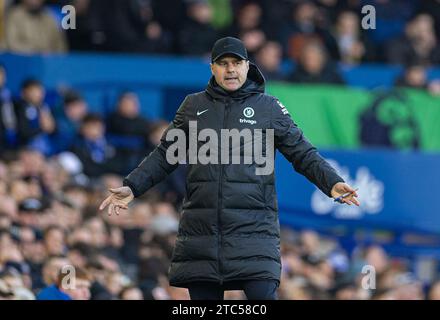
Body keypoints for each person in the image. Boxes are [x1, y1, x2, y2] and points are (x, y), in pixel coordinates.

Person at [99, 36, 359, 300]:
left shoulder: (268, 108)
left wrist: (331, 181)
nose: (230, 69)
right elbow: (166, 154)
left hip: (254, 236)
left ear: (247, 66)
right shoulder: (193, 106)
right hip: (202, 236)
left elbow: (302, 152)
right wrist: (132, 186)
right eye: (223, 63)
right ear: (213, 68)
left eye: (236, 62)